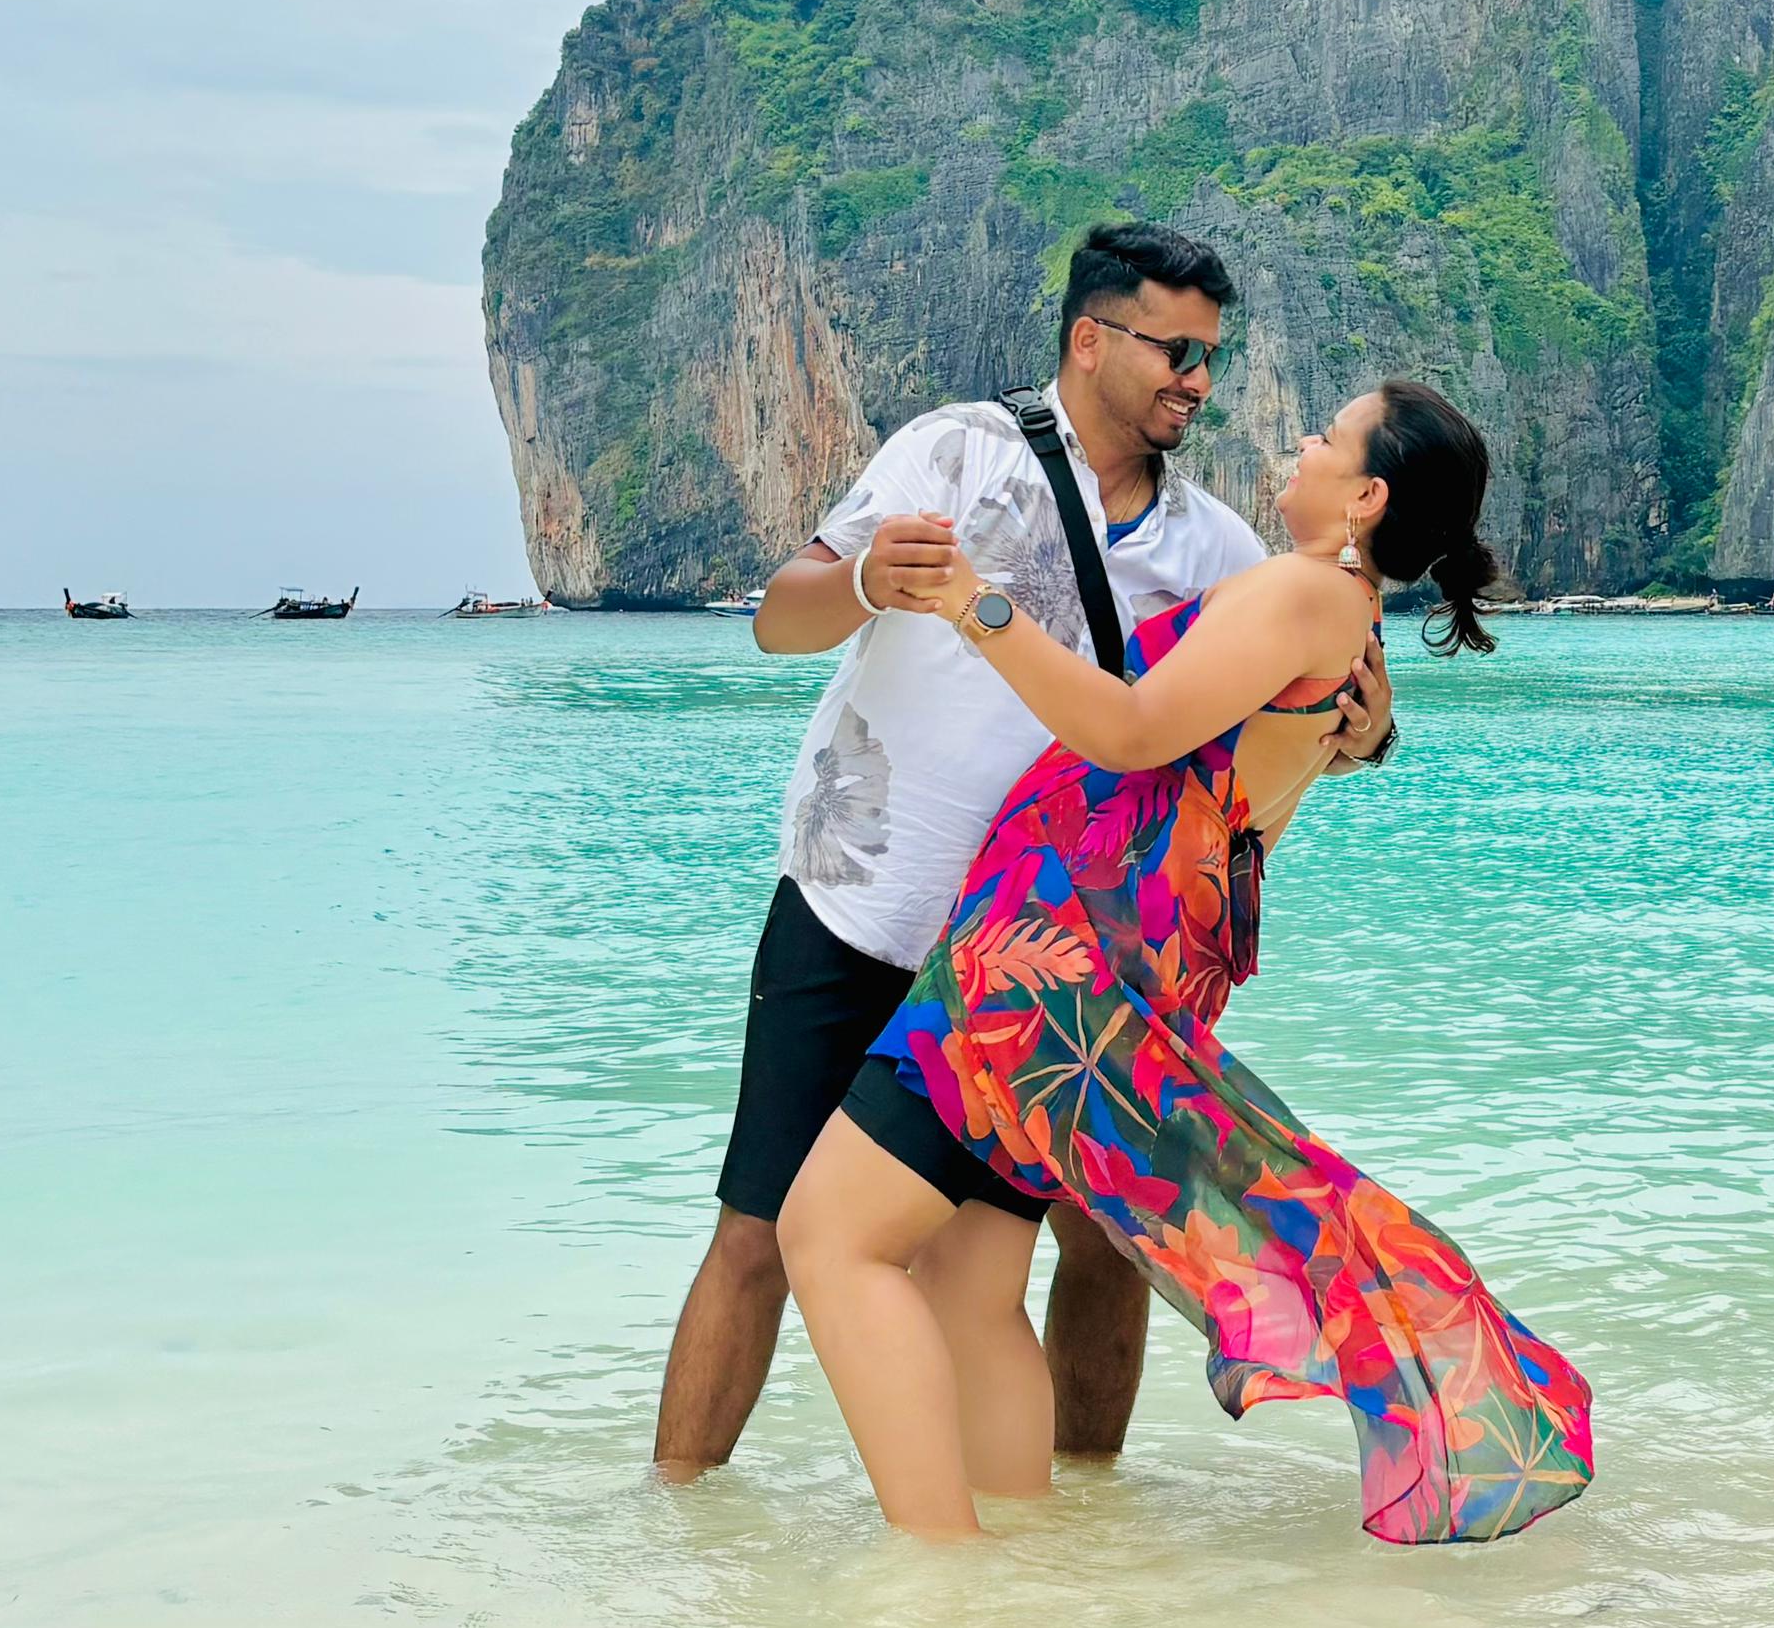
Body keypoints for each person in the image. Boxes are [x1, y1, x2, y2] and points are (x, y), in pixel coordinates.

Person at [777, 381, 1592, 1546]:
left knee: (827, 1237)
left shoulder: (1306, 594)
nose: (1300, 441)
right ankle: (1021, 1572)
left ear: (1364, 495)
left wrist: (973, 604)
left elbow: (1127, 732)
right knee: (964, 1285)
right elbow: (1238, 802)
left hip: (1048, 972)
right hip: (1080, 962)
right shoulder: (1336, 619)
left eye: (1327, 435)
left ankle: (938, 1574)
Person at [651, 221, 1396, 1477]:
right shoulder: (952, 450)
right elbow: (780, 618)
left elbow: (1291, 708)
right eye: (1173, 350)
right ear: (1089, 339)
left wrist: (1367, 737)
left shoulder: (1217, 548)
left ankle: (1068, 1525)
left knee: (1093, 1245)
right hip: (861, 903)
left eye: (1209, 356)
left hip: (1040, 960)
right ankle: (673, 1515)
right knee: (759, 1227)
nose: (1197, 381)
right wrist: (866, 582)